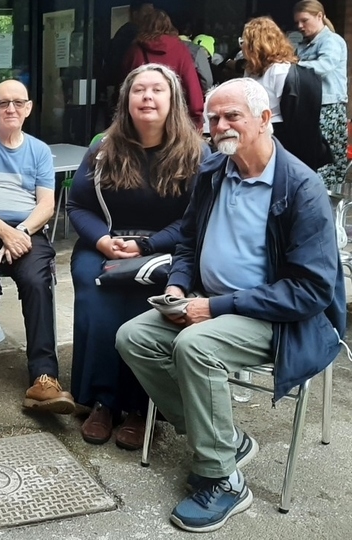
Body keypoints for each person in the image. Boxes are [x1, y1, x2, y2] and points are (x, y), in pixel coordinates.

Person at [115, 78, 345, 532]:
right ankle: (225, 441)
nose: (220, 126)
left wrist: (216, 308)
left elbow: (312, 291)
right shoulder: (214, 171)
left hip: (278, 318)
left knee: (195, 347)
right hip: (209, 302)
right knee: (133, 337)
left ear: (264, 120)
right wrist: (180, 288)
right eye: (213, 117)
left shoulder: (301, 188)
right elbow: (187, 242)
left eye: (232, 116)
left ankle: (222, 480)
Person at [68, 64, 207, 450]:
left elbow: (197, 221)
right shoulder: (103, 149)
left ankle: (143, 407)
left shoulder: (196, 154)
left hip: (167, 251)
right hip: (106, 245)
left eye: (156, 90)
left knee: (142, 308)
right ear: (126, 101)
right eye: (138, 90)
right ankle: (104, 401)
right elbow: (77, 206)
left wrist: (148, 245)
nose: (147, 96)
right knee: (97, 300)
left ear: (172, 99)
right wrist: (100, 241)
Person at [0, 80, 74, 414]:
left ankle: (44, 377)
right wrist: (5, 233)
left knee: (37, 284)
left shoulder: (38, 150)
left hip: (27, 230)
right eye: (3, 103)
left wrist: (19, 232)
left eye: (18, 102)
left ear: (29, 107)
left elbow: (47, 205)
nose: (11, 109)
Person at [240, 16, 331, 170]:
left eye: (244, 43)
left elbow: (294, 114)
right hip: (256, 130)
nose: (242, 48)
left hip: (278, 134)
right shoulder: (251, 70)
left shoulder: (280, 71)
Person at [294, 0, 348, 188]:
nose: (300, 26)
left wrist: (294, 66)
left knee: (327, 163)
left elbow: (325, 66)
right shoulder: (303, 45)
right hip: (311, 107)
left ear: (319, 16)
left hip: (329, 108)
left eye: (304, 20)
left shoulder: (331, 41)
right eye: (297, 22)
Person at [122, 9, 205, 128]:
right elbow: (192, 85)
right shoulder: (180, 50)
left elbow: (124, 85)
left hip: (141, 117)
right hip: (173, 118)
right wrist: (197, 118)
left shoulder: (134, 51)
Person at [101, 2, 155, 108]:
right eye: (147, 14)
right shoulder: (130, 35)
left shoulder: (129, 34)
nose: (150, 18)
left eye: (152, 14)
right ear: (135, 14)